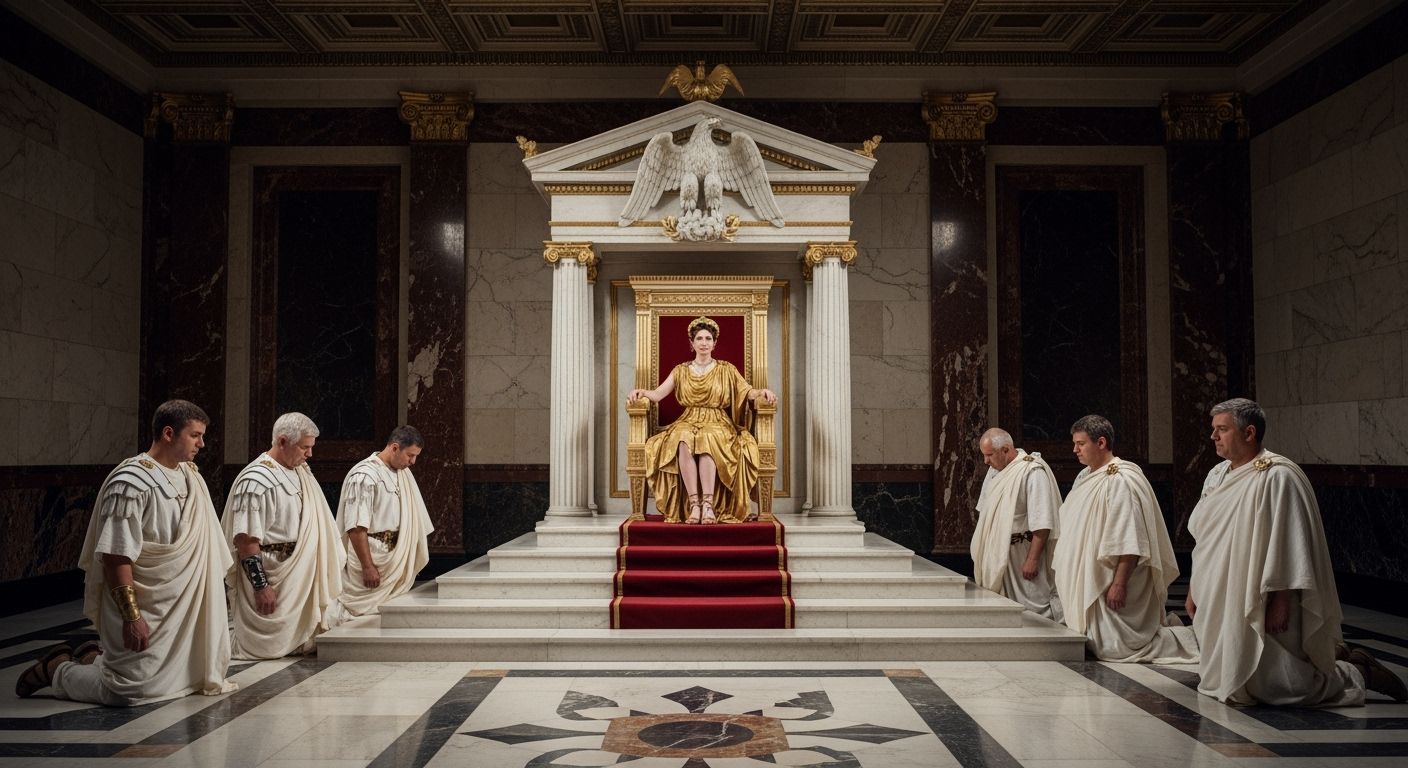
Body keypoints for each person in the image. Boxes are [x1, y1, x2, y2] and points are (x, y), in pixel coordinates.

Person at [1186, 398, 1406, 705]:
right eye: (1213, 430)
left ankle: (1358, 672)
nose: (1213, 437)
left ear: (1249, 433)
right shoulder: (1217, 476)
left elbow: (1290, 541)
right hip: (1220, 588)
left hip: (1261, 590)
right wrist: (1196, 587)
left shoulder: (1278, 476)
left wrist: (1282, 599)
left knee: (1278, 685)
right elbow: (1205, 538)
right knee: (1229, 679)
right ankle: (1339, 656)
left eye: (1221, 430)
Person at [16, 400, 237, 704]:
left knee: (186, 677)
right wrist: (132, 617)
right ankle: (57, 670)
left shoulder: (192, 477)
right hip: (147, 604)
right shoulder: (131, 483)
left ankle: (92, 658)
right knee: (131, 690)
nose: (202, 443)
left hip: (183, 607)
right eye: (195, 435)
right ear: (169, 433)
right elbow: (116, 555)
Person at [1052, 414, 1198, 663]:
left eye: (1080, 443)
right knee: (1095, 643)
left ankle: (1188, 640)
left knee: (1115, 648)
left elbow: (1130, 537)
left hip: (1109, 578)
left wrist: (1119, 584)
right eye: (1074, 443)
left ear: (1101, 443)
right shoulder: (1085, 477)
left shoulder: (1120, 480)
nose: (1074, 450)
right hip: (1087, 574)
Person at [627, 315, 777, 524]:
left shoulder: (727, 369)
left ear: (714, 343)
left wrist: (762, 392)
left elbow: (747, 391)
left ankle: (708, 506)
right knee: (681, 437)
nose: (704, 342)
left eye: (708, 338)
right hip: (688, 418)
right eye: (699, 338)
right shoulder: (680, 370)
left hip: (718, 421)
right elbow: (658, 394)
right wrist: (641, 392)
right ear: (692, 343)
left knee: (707, 437)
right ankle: (694, 505)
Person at [222, 412, 344, 659]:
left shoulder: (300, 471)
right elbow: (246, 541)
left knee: (303, 641)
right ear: (282, 441)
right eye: (304, 447)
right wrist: (261, 586)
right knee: (265, 648)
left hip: (299, 573)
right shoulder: (256, 481)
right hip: (274, 571)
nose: (310, 454)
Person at [324, 425, 433, 626]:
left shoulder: (402, 473)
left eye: (416, 456)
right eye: (410, 455)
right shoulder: (364, 476)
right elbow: (356, 527)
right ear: (394, 447)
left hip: (394, 556)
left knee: (386, 615)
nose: (413, 462)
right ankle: (341, 644)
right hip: (372, 555)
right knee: (357, 611)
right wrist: (368, 566)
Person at [971, 427, 1064, 622]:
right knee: (1001, 606)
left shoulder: (1032, 471)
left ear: (1005, 450)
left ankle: (1044, 643)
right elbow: (986, 510)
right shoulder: (995, 470)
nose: (985, 461)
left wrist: (1032, 559)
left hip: (1023, 551)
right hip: (997, 552)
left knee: (1033, 603)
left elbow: (1043, 520)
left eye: (989, 455)